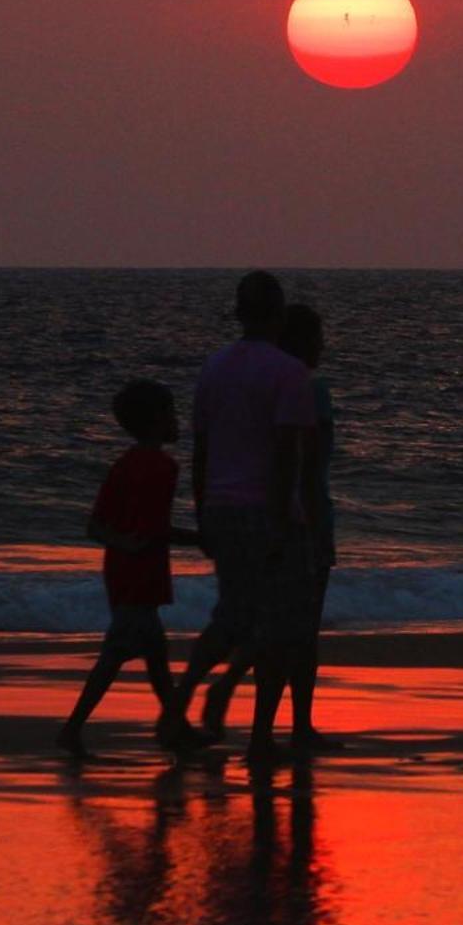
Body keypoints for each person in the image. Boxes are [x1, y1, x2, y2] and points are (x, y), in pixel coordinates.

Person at [157, 270, 316, 768]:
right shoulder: (290, 374)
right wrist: (285, 519)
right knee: (278, 626)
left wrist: (202, 509)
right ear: (277, 315)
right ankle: (260, 736)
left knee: (231, 617)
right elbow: (287, 454)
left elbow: (201, 449)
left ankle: (179, 705)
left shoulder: (214, 368)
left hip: (222, 508)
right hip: (265, 512)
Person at [201, 304, 338, 748]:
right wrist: (315, 528)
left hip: (273, 515)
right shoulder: (309, 390)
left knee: (274, 624)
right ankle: (292, 725)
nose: (323, 346)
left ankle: (268, 716)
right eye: (318, 338)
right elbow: (309, 466)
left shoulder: (273, 388)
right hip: (303, 519)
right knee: (299, 631)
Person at [57, 380, 201, 758]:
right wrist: (205, 540)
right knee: (117, 654)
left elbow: (96, 526)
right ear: (156, 421)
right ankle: (72, 729)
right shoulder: (162, 467)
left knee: (155, 653)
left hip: (121, 568)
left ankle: (176, 727)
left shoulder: (122, 464)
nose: (177, 421)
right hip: (140, 571)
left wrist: (123, 544)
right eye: (171, 414)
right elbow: (158, 529)